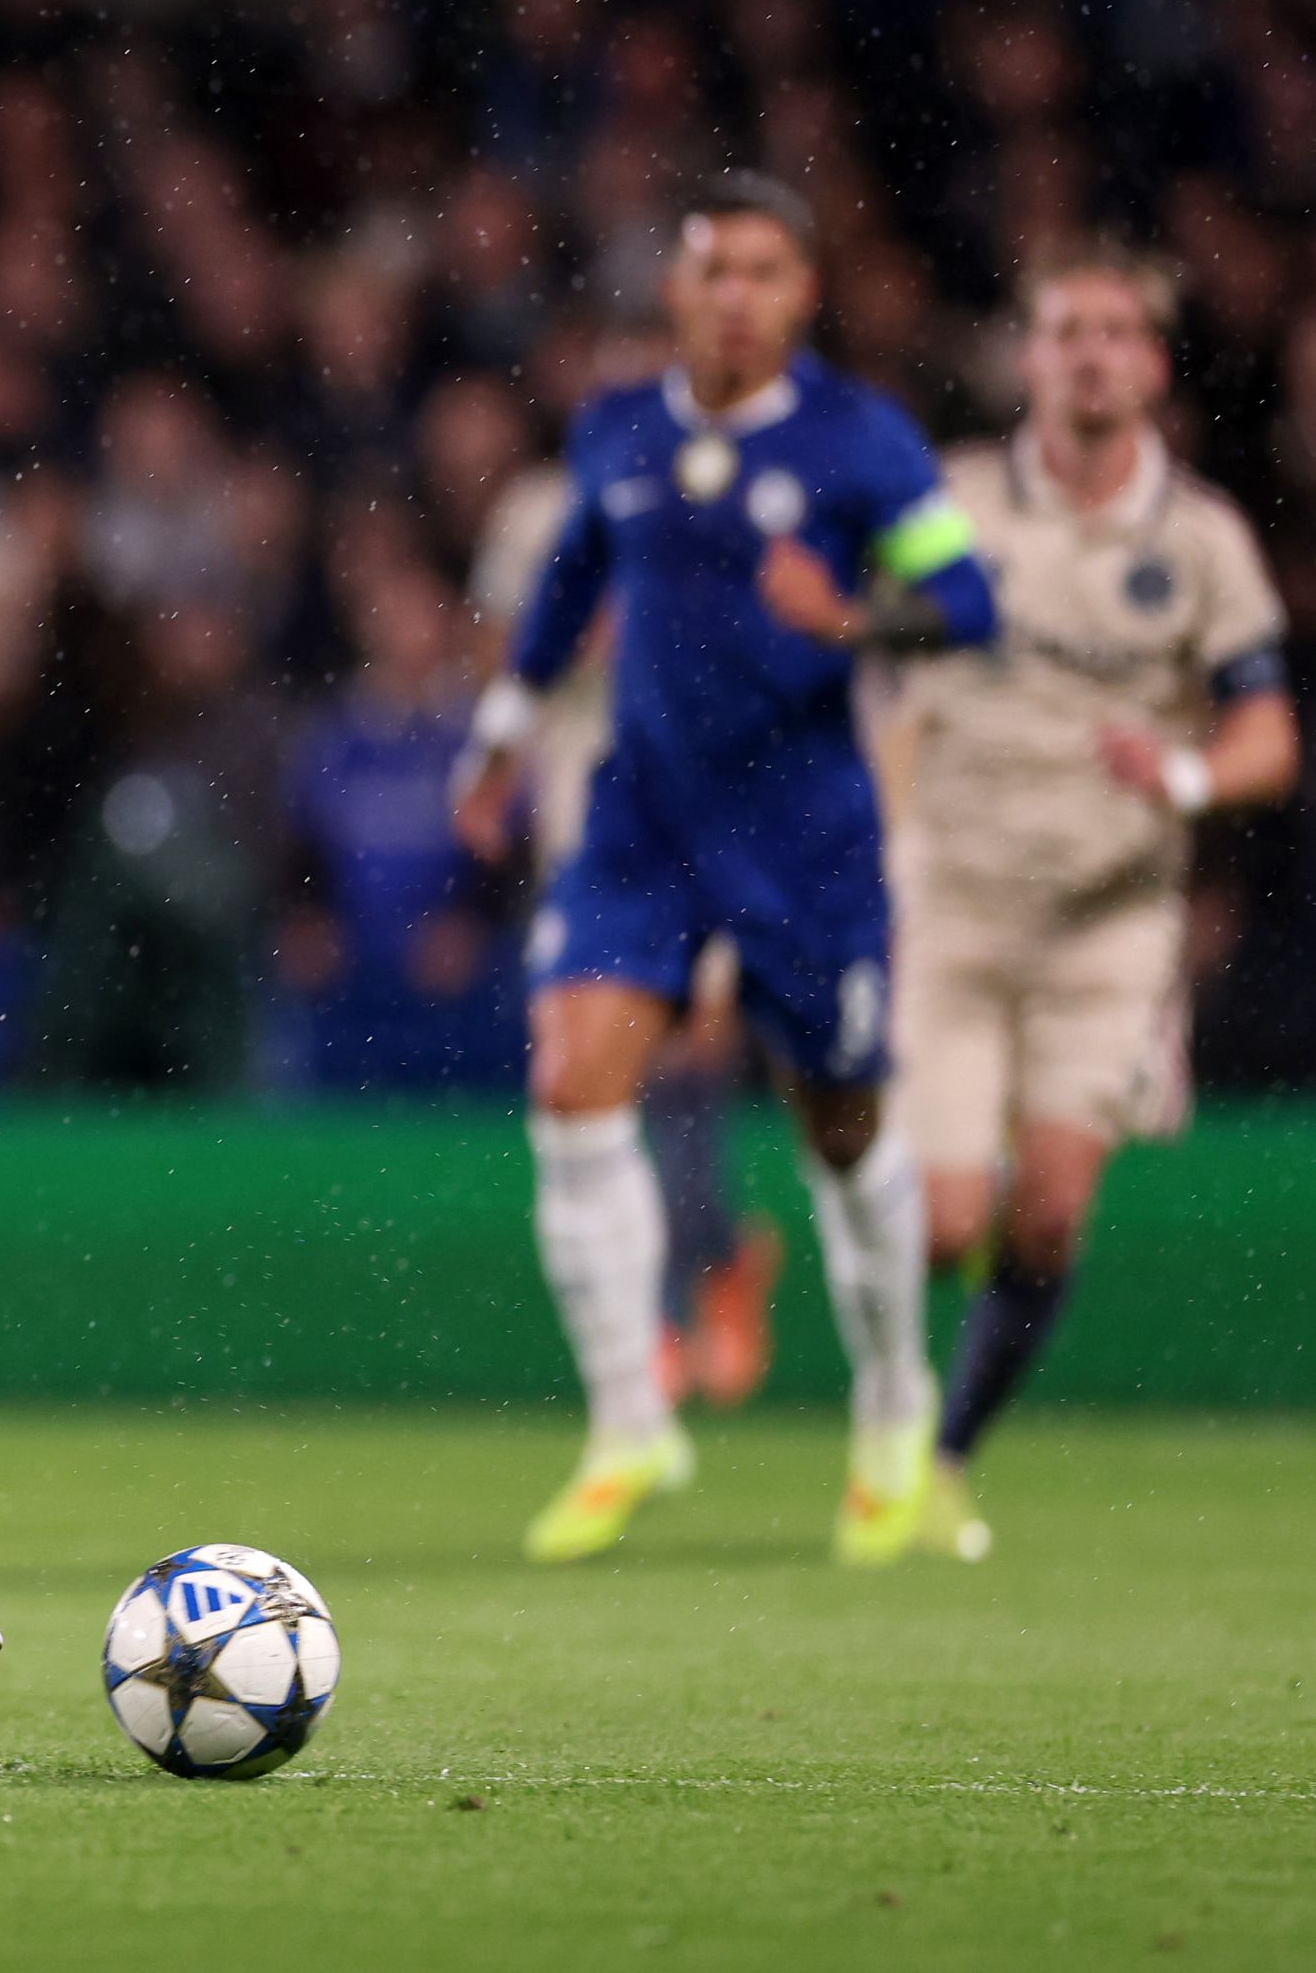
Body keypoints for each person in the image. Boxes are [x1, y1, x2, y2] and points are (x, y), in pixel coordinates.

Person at [452, 173, 998, 1566]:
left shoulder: (858, 440)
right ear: (677, 288)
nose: (733, 294)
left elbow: (966, 601)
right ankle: (632, 1420)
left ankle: (889, 1399)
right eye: (712, 270)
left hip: (803, 832)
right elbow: (574, 577)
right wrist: (505, 728)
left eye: (762, 270)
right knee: (571, 1080)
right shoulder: (617, 424)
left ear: (803, 293)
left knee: (843, 1128)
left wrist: (858, 610)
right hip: (640, 814)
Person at [876, 249, 1295, 1559]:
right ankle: (884, 1420)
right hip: (953, 897)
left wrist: (1179, 772)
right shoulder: (946, 502)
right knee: (947, 1220)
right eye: (1067, 331)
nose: (1092, 354)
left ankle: (940, 1460)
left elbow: (1268, 733)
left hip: (1110, 919)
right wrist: (882, 836)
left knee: (1047, 1209)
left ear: (1154, 365)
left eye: (1117, 333)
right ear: (1031, 356)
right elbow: (878, 670)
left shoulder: (1201, 538)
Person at [468, 352, 782, 1412]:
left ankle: (710, 1275)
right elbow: (499, 648)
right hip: (584, 827)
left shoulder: (737, 489)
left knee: (690, 1054)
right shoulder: (539, 507)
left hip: (712, 813)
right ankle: (665, 1301)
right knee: (596, 1072)